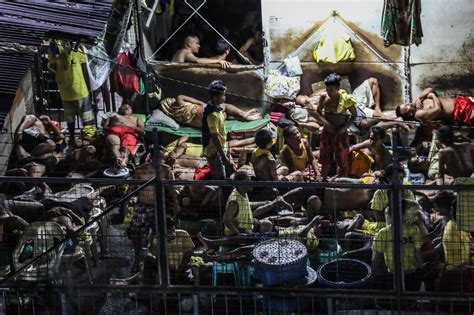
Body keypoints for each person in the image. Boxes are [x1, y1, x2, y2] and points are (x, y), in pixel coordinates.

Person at [127, 153, 178, 273]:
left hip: (161, 206)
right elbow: (131, 189)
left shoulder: (166, 170)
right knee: (136, 233)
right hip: (143, 206)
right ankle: (138, 258)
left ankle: (159, 261)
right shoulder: (140, 170)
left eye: (160, 156)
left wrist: (174, 208)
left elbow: (171, 190)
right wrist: (130, 199)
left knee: (163, 235)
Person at [371, 199, 424, 291]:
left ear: (390, 214)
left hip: (393, 274)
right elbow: (418, 253)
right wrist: (422, 269)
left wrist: (375, 273)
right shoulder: (414, 229)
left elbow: (376, 260)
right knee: (410, 299)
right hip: (411, 274)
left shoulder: (383, 233)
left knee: (395, 300)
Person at [48, 40, 94, 144]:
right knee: (86, 117)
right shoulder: (74, 46)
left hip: (65, 90)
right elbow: (84, 65)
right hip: (80, 89)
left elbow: (52, 66)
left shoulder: (55, 46)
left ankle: (73, 137)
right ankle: (88, 139)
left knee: (69, 117)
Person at [316, 73, 357, 181]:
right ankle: (324, 180)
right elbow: (318, 112)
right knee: (325, 158)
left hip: (340, 132)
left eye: (331, 89)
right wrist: (326, 124)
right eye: (327, 89)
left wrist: (344, 128)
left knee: (342, 158)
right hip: (327, 132)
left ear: (338, 88)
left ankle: (342, 180)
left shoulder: (346, 99)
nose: (329, 91)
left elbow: (354, 115)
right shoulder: (323, 97)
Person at [201, 80, 236, 179]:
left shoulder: (216, 107)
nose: (225, 97)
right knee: (219, 176)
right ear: (215, 97)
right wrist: (223, 157)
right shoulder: (212, 115)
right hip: (214, 150)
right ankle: (219, 192)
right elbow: (214, 137)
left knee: (225, 172)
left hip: (220, 146)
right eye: (223, 95)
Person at [160, 95, 261, 128]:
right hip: (202, 112)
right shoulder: (179, 99)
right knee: (224, 106)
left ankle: (242, 117)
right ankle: (244, 114)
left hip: (205, 124)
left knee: (223, 114)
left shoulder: (175, 117)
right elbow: (198, 102)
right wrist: (205, 105)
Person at [396, 87, 474, 126]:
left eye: (405, 104)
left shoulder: (416, 103)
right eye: (406, 108)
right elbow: (438, 109)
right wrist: (433, 96)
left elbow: (430, 89)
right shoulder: (418, 114)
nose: (407, 104)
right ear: (409, 114)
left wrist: (420, 97)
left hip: (460, 102)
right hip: (460, 111)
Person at [104, 103, 144, 171]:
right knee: (115, 146)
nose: (126, 106)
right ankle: (119, 160)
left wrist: (127, 126)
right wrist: (114, 127)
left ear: (132, 111)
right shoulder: (113, 117)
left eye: (129, 107)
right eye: (124, 106)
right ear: (119, 110)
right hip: (114, 131)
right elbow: (105, 128)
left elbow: (142, 130)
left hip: (129, 133)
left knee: (125, 149)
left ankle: (122, 162)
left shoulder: (137, 119)